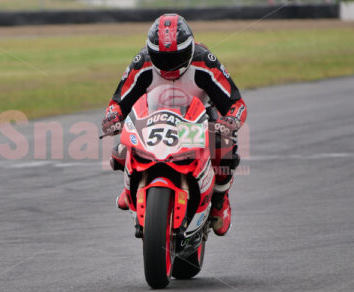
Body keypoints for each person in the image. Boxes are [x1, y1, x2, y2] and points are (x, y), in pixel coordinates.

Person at [101, 13, 247, 236]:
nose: (168, 65)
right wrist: (113, 116)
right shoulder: (142, 63)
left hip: (196, 118)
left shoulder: (205, 61)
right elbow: (118, 101)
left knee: (223, 147)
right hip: (153, 117)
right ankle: (131, 186)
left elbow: (235, 103)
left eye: (175, 57)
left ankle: (219, 200)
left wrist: (231, 119)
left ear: (189, 48)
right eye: (161, 57)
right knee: (120, 150)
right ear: (150, 51)